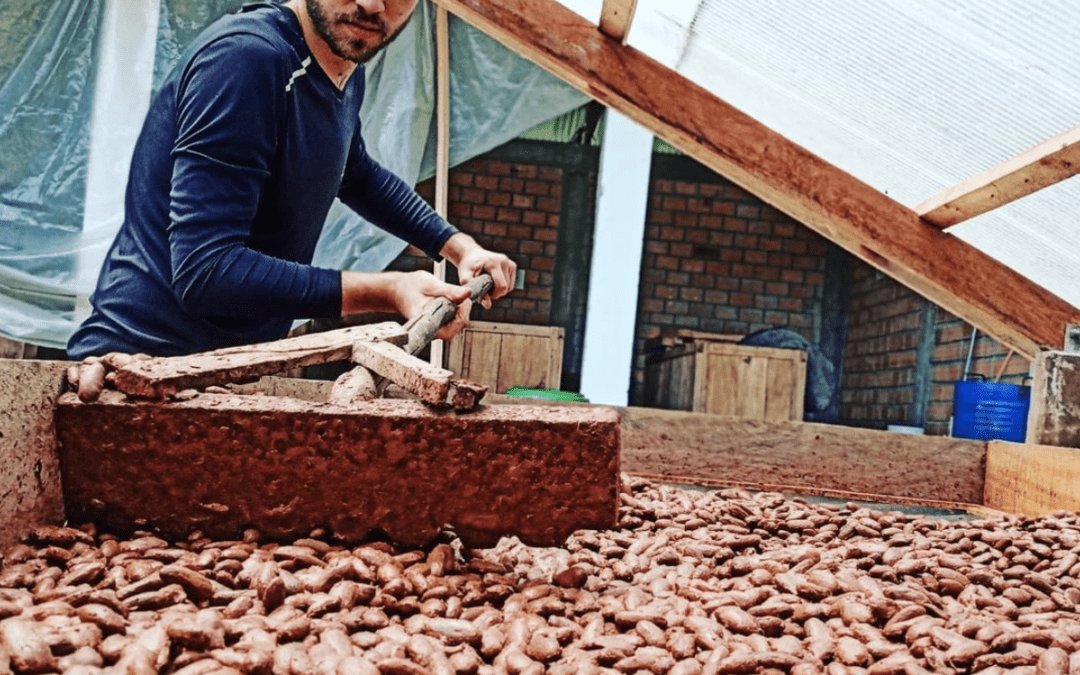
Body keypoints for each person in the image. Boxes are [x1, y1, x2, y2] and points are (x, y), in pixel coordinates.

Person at [66, 0, 516, 360]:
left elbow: (354, 173)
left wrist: (458, 246)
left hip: (223, 367)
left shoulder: (339, 65)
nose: (371, 4)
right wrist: (390, 288)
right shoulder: (247, 59)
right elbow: (207, 270)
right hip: (140, 363)